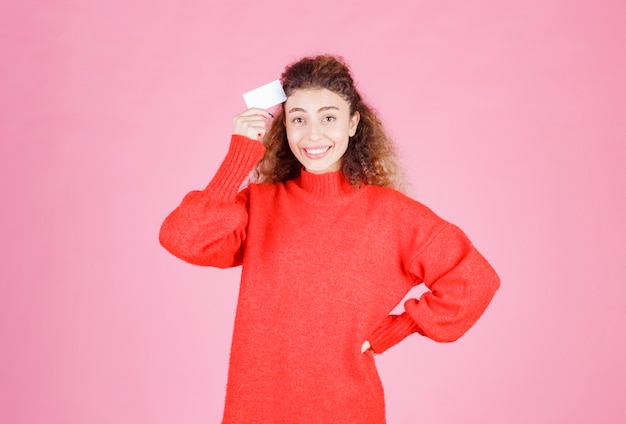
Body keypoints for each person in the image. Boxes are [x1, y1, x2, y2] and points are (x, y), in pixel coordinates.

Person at [159, 55, 500, 423]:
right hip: (256, 407)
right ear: (284, 127)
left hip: (347, 408)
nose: (313, 135)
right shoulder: (260, 205)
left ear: (353, 123)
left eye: (329, 117)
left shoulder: (393, 215)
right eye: (298, 119)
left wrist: (402, 327)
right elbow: (184, 240)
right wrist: (238, 157)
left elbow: (475, 280)